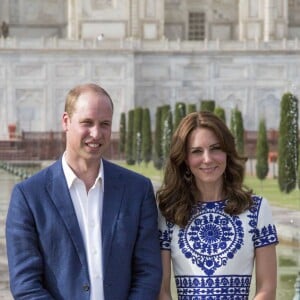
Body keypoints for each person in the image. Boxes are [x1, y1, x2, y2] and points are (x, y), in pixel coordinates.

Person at [6, 83, 162, 300]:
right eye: (87, 123)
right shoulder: (29, 196)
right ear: (66, 122)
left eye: (104, 124)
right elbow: (25, 284)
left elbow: (148, 271)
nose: (96, 133)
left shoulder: (137, 190)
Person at [156, 111, 278, 299]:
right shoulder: (169, 212)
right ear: (185, 160)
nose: (208, 158)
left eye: (215, 148)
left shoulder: (257, 209)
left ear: (227, 152)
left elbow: (267, 289)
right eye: (197, 151)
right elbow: (162, 291)